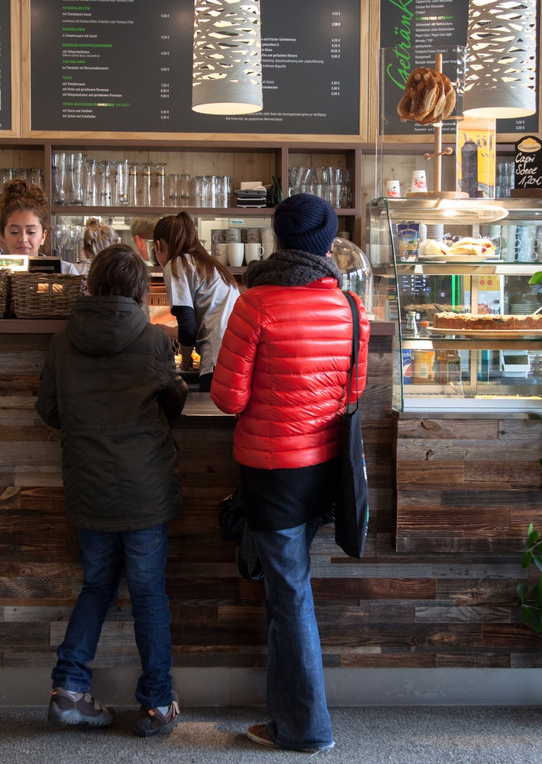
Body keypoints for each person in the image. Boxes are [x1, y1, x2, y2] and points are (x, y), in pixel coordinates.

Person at [210, 193, 369, 754]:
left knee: (290, 597)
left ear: (279, 239)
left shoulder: (255, 304)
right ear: (328, 243)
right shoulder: (351, 309)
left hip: (273, 475)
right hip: (325, 472)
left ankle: (306, 729)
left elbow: (228, 399)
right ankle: (285, 720)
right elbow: (353, 392)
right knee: (288, 594)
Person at [35, 243, 188, 737]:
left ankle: (68, 690)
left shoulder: (62, 341)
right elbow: (174, 404)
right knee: (148, 595)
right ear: (141, 289)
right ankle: (157, 704)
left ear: (92, 285)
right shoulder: (155, 339)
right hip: (144, 491)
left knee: (97, 587)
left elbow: (49, 410)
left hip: (89, 486)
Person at [153, 211, 239, 391]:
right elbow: (206, 320)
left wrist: (185, 360)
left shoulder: (176, 264)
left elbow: (187, 324)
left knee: (210, 417)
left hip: (217, 359)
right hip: (239, 356)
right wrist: (170, 331)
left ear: (158, 246)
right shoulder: (212, 265)